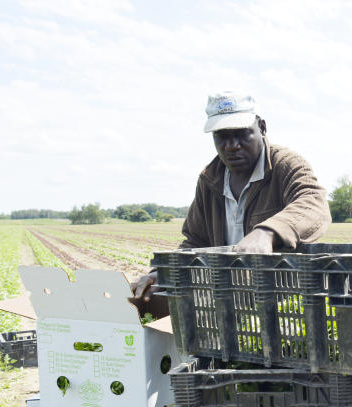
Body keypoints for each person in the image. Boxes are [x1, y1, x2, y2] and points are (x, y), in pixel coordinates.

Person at [131, 92, 331, 303]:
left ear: (262, 127)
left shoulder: (285, 165)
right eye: (222, 136)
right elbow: (195, 242)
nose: (232, 145)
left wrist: (267, 232)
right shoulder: (210, 179)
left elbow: (313, 203)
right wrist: (163, 274)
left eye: (241, 134)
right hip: (228, 299)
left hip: (281, 299)